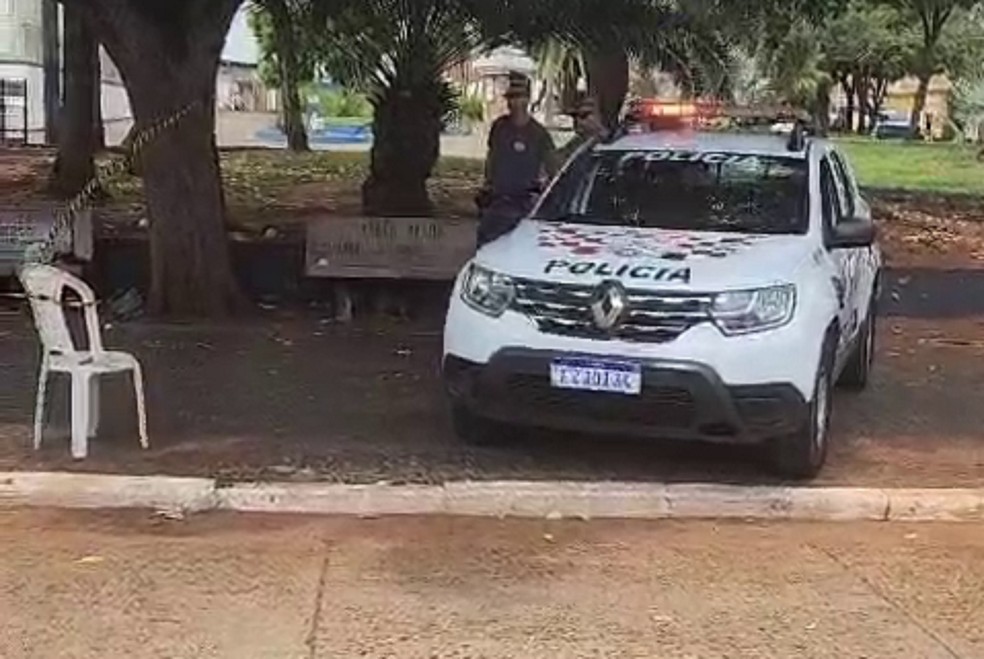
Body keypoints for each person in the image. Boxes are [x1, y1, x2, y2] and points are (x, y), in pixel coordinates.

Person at [477, 73, 558, 246]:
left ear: (527, 100)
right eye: (511, 97)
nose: (514, 103)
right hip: (497, 200)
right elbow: (492, 156)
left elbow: (552, 167)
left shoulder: (539, 133)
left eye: (519, 97)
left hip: (524, 201)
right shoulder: (499, 127)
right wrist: (487, 184)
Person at [556, 94, 609, 165]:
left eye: (584, 116)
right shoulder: (576, 142)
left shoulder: (611, 143)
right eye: (575, 117)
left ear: (600, 116)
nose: (578, 121)